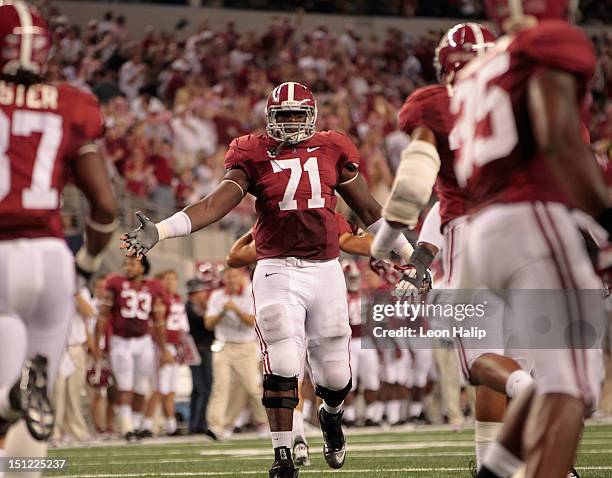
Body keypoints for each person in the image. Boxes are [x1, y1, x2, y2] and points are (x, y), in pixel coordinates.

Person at [122, 81, 414, 478]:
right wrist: (162, 230)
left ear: (310, 117)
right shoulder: (252, 152)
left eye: (298, 115)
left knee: (336, 375)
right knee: (283, 359)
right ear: (270, 118)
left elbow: (369, 209)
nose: (292, 124)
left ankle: (330, 417)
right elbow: (215, 204)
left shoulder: (332, 147)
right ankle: (282, 456)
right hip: (276, 268)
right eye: (284, 115)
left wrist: (411, 256)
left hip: (325, 269)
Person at [450, 2, 611, 477]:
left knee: (549, 381)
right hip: (532, 220)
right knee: (574, 387)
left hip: (484, 229)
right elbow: (558, 137)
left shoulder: (480, 66)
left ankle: (494, 472)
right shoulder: (550, 43)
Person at [371, 23, 535, 469]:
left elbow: (412, 190)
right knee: (517, 360)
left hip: (476, 232)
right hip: (535, 232)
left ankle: (526, 397)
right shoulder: (534, 93)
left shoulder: (437, 102)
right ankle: (506, 464)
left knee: (483, 364)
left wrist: (385, 240)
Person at [0, 0, 117, 470]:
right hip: (53, 258)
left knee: (11, 399)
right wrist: (86, 265)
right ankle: (16, 401)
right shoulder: (72, 103)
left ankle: (9, 399)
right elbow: (105, 207)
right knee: (35, 418)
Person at [95, 256, 171, 442]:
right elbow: (103, 316)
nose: (127, 267)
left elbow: (159, 321)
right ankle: (127, 426)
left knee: (141, 386)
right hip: (121, 341)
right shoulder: (115, 283)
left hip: (144, 341)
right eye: (126, 263)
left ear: (142, 267)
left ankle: (136, 425)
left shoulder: (154, 287)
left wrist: (163, 348)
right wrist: (98, 343)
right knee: (124, 385)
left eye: (132, 264)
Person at [204, 267, 267, 440]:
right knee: (220, 386)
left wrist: (236, 311)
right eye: (228, 276)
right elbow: (208, 323)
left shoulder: (250, 294)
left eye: (234, 276)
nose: (231, 280)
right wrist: (223, 312)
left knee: (252, 387)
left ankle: (263, 422)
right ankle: (216, 426)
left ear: (241, 278)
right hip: (223, 345)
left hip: (246, 346)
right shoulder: (217, 296)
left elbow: (253, 322)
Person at [140, 270, 190, 437]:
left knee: (171, 390)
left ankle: (171, 426)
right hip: (162, 345)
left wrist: (184, 351)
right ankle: (145, 426)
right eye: (167, 279)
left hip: (175, 346)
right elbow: (156, 326)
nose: (171, 282)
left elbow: (182, 328)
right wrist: (163, 349)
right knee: (158, 389)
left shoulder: (177, 299)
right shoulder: (160, 300)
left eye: (173, 279)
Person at [185, 277, 215, 435]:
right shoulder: (190, 309)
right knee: (203, 387)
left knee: (200, 388)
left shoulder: (201, 308)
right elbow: (204, 324)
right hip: (197, 349)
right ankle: (198, 423)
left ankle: (195, 423)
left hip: (203, 348)